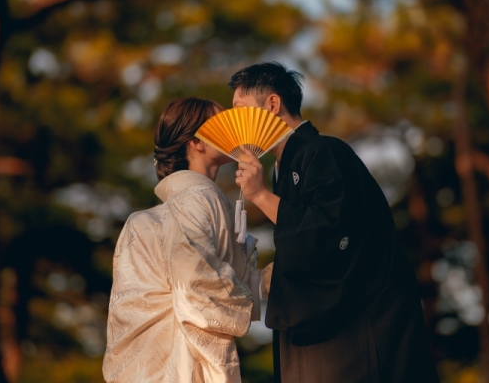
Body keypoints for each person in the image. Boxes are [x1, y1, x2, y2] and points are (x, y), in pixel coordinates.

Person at [230, 62, 439, 383]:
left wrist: (259, 195)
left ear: (271, 104)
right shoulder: (283, 167)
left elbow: (327, 232)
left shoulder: (322, 150)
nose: (234, 122)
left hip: (355, 327)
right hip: (320, 324)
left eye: (240, 109)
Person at [103, 98, 255, 383]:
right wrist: (251, 293)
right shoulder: (198, 197)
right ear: (197, 142)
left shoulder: (159, 215)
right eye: (222, 124)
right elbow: (195, 282)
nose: (234, 130)